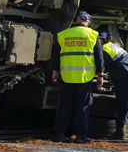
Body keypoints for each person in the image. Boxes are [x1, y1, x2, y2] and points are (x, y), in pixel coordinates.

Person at [51, 11, 105, 143]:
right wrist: (101, 75)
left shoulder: (64, 34)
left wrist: (55, 71)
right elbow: (99, 57)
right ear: (88, 22)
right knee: (83, 107)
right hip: (84, 78)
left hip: (67, 77)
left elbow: (56, 55)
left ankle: (59, 135)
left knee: (64, 107)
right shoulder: (92, 35)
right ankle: (82, 137)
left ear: (76, 21)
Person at [99, 31, 128, 140]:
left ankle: (121, 134)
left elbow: (99, 67)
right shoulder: (114, 46)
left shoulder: (105, 50)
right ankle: (122, 133)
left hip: (124, 80)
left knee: (123, 105)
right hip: (124, 78)